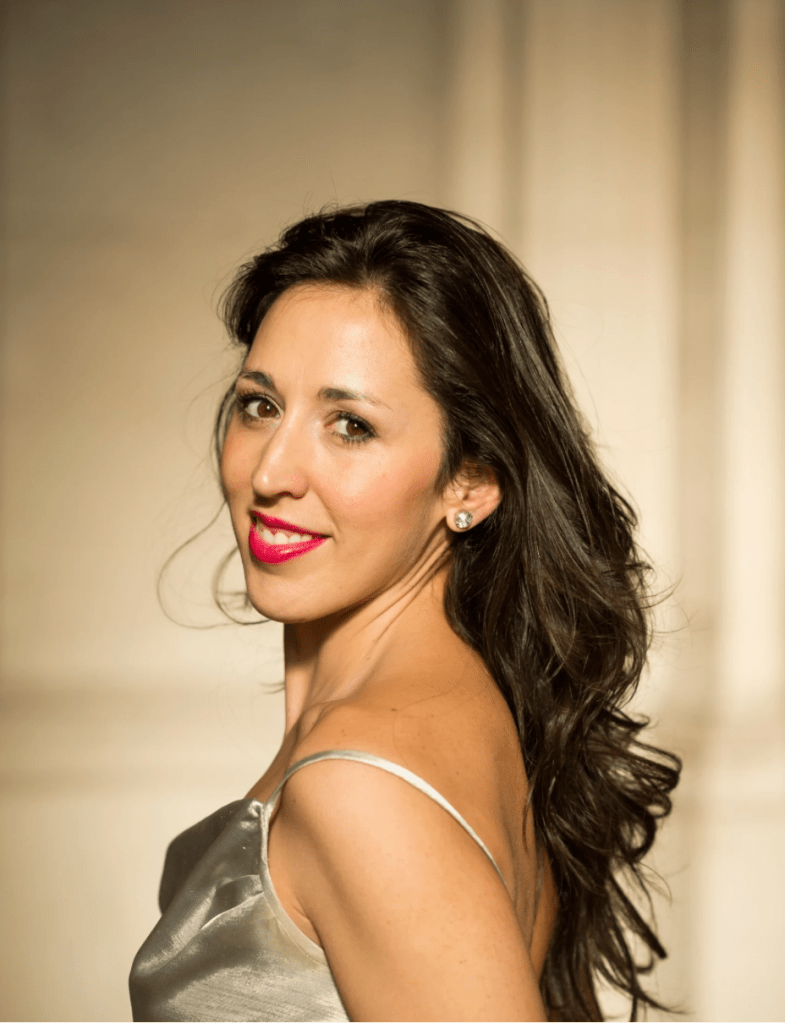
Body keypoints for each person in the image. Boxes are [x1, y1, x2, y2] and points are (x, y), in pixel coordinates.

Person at [129, 200, 680, 1022]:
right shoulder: (460, 712)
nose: (271, 472)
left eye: (350, 425)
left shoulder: (358, 784)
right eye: (260, 405)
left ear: (471, 481)